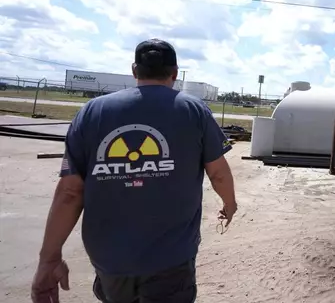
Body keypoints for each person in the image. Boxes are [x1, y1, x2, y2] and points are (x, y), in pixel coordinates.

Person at [31, 39, 237, 303]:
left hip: (109, 260)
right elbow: (218, 173)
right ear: (174, 73)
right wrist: (229, 204)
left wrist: (49, 258)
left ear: (134, 70)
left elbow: (70, 192)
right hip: (171, 259)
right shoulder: (194, 110)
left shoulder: (92, 111)